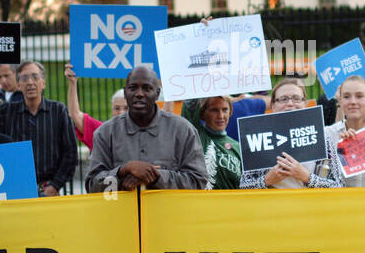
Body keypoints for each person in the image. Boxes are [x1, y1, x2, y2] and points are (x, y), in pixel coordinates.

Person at [85, 65, 208, 193]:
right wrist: (122, 172)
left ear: (157, 93)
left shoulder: (183, 130)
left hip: (169, 212)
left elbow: (198, 181)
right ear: (126, 92)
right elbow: (92, 185)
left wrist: (156, 177)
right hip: (121, 212)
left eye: (147, 88)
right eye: (133, 88)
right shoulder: (105, 133)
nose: (139, 93)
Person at [0, 61, 78, 196]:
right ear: (18, 85)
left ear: (43, 82)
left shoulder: (58, 111)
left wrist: (55, 186)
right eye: (25, 78)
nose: (30, 82)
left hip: (49, 190)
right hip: (16, 190)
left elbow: (71, 153)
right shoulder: (5, 113)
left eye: (35, 77)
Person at [241, 78, 342, 189]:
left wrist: (307, 177)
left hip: (311, 205)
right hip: (272, 205)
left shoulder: (322, 135)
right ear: (273, 106)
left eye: (296, 98)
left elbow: (338, 184)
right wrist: (267, 180)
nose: (290, 103)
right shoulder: (257, 137)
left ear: (305, 103)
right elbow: (243, 186)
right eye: (283, 99)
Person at [182, 96, 243, 190]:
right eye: (214, 110)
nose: (221, 116)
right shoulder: (196, 135)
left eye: (225, 110)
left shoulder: (238, 147)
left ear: (230, 112)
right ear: (202, 114)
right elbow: (190, 101)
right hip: (202, 203)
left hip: (232, 203)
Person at [63, 61, 127, 150]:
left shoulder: (145, 134)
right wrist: (73, 83)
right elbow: (75, 114)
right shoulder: (102, 131)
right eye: (117, 108)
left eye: (126, 108)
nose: (121, 112)